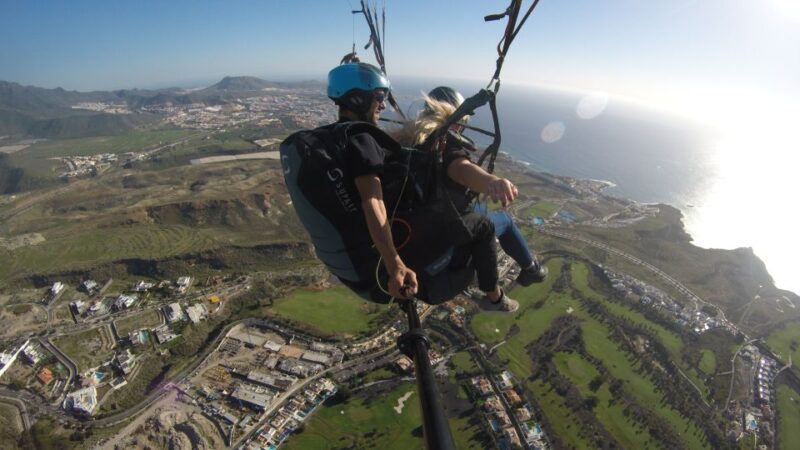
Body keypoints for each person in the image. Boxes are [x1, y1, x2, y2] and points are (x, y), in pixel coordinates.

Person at [280, 62, 519, 312]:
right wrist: (395, 265)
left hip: (355, 273)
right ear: (358, 98)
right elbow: (372, 201)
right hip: (391, 276)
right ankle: (494, 298)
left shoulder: (333, 139)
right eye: (379, 96)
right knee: (484, 224)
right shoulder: (363, 140)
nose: (383, 104)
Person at [394, 86, 548, 286]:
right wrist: (492, 182)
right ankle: (531, 270)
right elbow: (462, 169)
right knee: (503, 220)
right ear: (459, 122)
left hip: (412, 233)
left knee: (480, 208)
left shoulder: (407, 145)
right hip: (439, 243)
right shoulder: (445, 149)